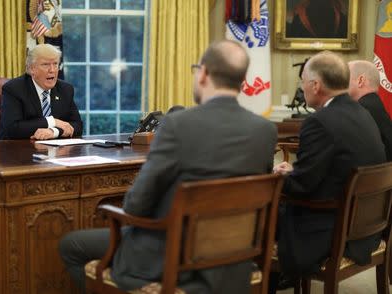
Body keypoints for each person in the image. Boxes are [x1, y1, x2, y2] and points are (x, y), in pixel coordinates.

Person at [59, 40, 278, 294]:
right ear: (241, 81)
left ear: (204, 73)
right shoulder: (265, 130)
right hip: (234, 260)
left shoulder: (178, 124)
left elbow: (136, 205)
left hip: (172, 258)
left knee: (71, 246)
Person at [271, 51, 386, 291]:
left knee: (263, 217)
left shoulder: (319, 121)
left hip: (330, 232)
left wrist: (276, 176)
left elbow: (301, 187)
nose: (301, 87)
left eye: (302, 81)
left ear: (315, 85)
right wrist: (297, 170)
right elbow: (337, 166)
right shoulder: (362, 113)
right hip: (365, 230)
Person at [0, 44, 82, 140]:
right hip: (19, 150)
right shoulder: (14, 89)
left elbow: (77, 126)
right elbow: (12, 129)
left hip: (57, 151)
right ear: (32, 68)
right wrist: (52, 122)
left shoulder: (65, 89)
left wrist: (54, 131)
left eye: (55, 64)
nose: (52, 70)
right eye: (46, 64)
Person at [348, 60, 392, 161]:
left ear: (360, 81)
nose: (341, 84)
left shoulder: (360, 110)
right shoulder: (374, 104)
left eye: (346, 78)